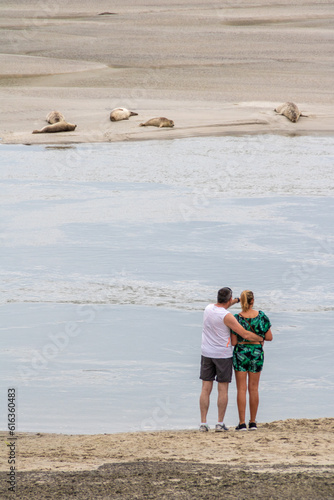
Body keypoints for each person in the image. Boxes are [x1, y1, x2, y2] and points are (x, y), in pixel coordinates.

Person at [199, 287, 263, 432]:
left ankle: (203, 423)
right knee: (222, 389)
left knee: (205, 388)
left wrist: (237, 301)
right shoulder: (228, 316)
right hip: (222, 355)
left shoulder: (208, 309)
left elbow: (224, 305)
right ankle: (219, 423)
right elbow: (245, 334)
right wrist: (260, 338)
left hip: (207, 353)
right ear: (229, 299)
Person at [231, 290, 273, 431]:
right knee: (253, 388)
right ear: (252, 301)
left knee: (241, 389)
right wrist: (258, 338)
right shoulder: (261, 316)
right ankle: (253, 422)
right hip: (256, 352)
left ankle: (242, 423)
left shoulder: (236, 318)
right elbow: (269, 337)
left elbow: (233, 341)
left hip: (241, 352)